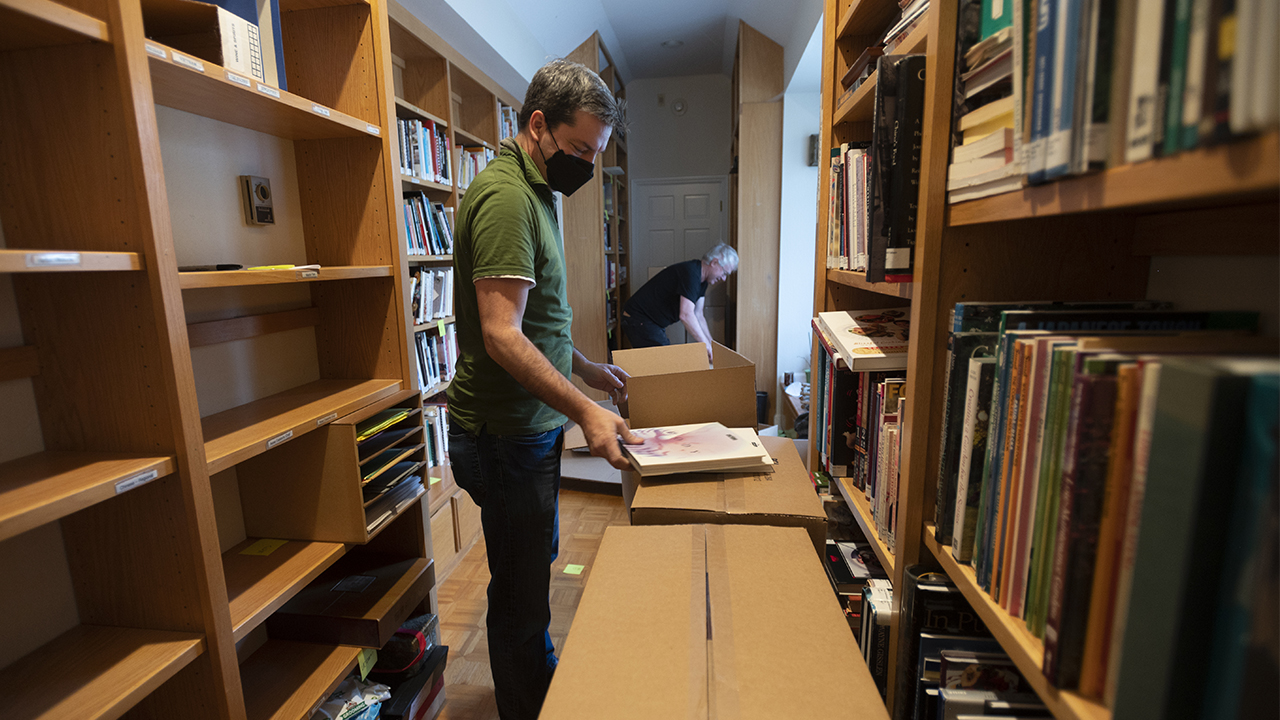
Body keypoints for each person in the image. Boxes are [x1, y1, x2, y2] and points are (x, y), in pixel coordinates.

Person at [445, 58, 640, 720]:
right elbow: (501, 335)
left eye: (596, 152)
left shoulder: (537, 191)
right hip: (503, 435)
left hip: (523, 428)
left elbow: (539, 324)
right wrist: (587, 409)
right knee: (522, 588)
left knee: (530, 567)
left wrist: (585, 370)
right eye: (580, 148)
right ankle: (528, 704)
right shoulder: (506, 199)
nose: (586, 165)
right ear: (538, 125)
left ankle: (536, 680)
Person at [620, 243, 738, 362]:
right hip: (638, 318)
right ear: (714, 263)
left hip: (650, 322)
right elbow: (686, 315)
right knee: (664, 365)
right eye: (724, 273)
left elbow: (698, 314)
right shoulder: (691, 273)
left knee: (661, 365)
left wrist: (712, 346)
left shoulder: (702, 281)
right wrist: (707, 347)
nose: (724, 279)